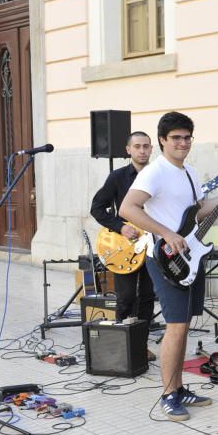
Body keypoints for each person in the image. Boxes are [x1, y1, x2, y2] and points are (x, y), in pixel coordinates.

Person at [120, 113, 218, 422]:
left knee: (184, 325)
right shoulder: (154, 172)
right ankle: (167, 395)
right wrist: (165, 232)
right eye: (176, 137)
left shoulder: (189, 171)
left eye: (187, 137)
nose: (183, 142)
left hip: (189, 256)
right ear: (162, 140)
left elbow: (198, 211)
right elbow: (128, 207)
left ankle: (179, 388)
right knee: (175, 326)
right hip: (164, 259)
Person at [90, 131, 156, 328]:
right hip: (126, 244)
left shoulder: (159, 175)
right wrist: (121, 227)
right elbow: (97, 208)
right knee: (125, 297)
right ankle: (123, 342)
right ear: (128, 150)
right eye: (137, 146)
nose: (142, 151)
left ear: (152, 149)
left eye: (146, 146)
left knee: (147, 296)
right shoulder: (117, 177)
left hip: (153, 244)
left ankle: (141, 343)